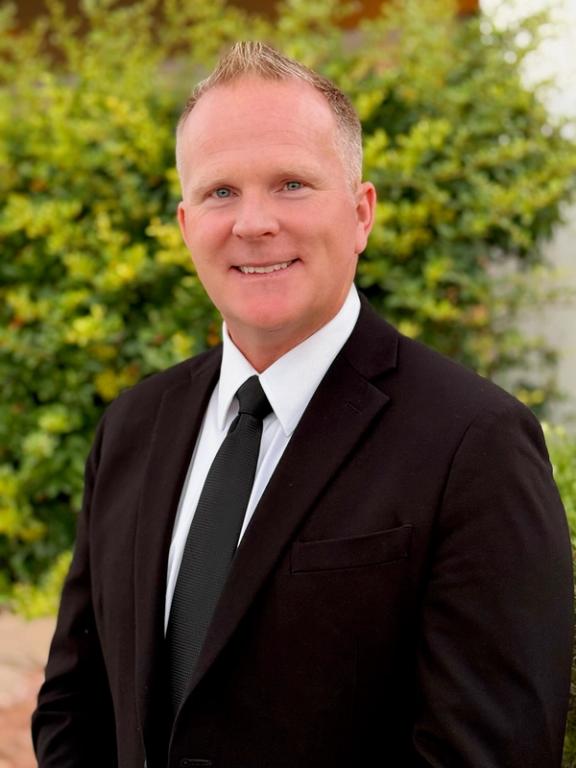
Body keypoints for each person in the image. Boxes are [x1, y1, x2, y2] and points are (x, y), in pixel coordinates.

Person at [33, 42, 573, 768]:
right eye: (221, 191)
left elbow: (488, 751)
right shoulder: (132, 427)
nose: (253, 222)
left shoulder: (476, 443)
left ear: (361, 213)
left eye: (291, 183)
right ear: (187, 225)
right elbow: (76, 708)